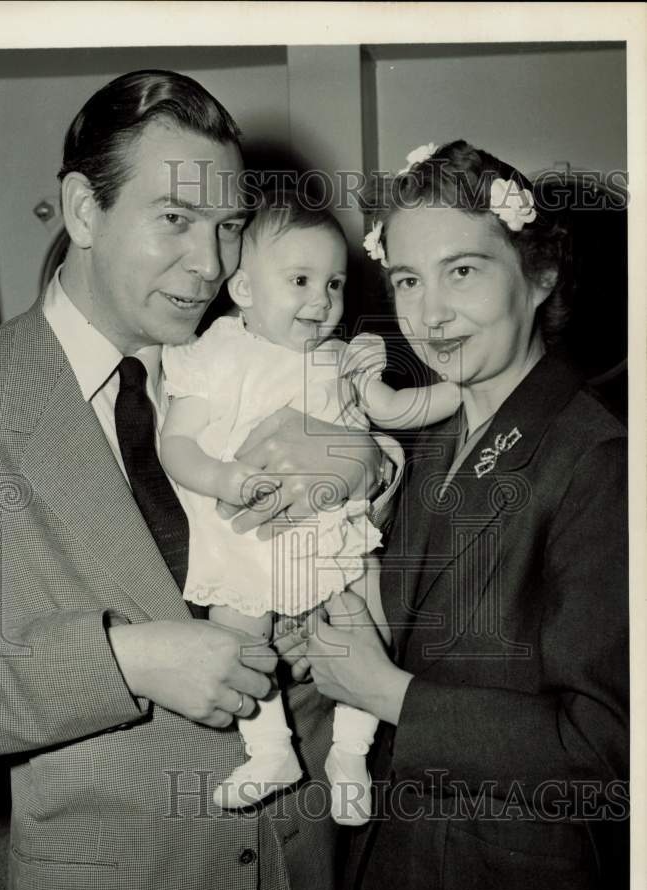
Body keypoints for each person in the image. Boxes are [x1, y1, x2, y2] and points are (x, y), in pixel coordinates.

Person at [0, 70, 393, 890]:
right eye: (175, 218)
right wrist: (124, 658)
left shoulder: (252, 345)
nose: (210, 264)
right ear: (84, 212)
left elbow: (368, 451)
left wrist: (369, 463)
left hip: (311, 882)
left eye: (226, 227)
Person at [280, 140, 629, 890]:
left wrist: (389, 691)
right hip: (382, 874)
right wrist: (334, 643)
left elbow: (608, 747)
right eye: (407, 280)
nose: (429, 314)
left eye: (463, 272)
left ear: (539, 277)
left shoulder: (599, 462)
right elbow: (414, 619)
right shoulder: (428, 434)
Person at [159, 193, 460, 821]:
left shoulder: (342, 357)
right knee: (236, 633)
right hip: (251, 534)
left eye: (334, 283)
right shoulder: (216, 352)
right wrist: (224, 477)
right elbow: (176, 444)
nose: (321, 301)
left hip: (336, 534)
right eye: (299, 281)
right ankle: (270, 749)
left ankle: (351, 753)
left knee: (362, 628)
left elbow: (396, 415)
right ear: (242, 287)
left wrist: (461, 385)